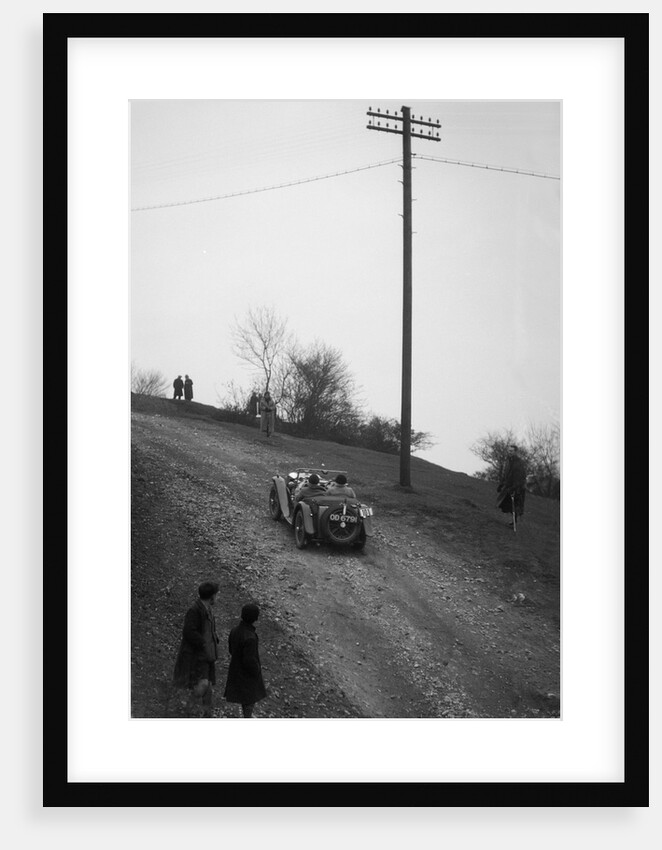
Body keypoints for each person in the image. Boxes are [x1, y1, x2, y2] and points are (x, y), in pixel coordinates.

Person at [172, 581, 220, 717]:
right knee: (203, 684)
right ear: (211, 596)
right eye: (216, 595)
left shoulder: (207, 609)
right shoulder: (195, 610)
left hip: (206, 655)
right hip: (196, 655)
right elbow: (188, 631)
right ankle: (187, 710)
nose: (217, 598)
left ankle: (206, 714)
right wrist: (203, 643)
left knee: (208, 685)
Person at [223, 603, 267, 718]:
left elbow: (231, 649)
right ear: (256, 618)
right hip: (247, 675)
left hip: (236, 669)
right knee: (249, 699)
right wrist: (257, 670)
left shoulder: (234, 630)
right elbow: (249, 660)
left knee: (244, 698)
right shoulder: (250, 637)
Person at [496, 444, 528, 526]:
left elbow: (520, 478)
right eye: (509, 451)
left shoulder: (519, 463)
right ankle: (513, 520)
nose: (509, 452)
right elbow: (506, 474)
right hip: (509, 485)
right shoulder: (508, 461)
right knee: (507, 503)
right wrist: (501, 484)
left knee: (516, 504)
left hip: (518, 487)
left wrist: (514, 488)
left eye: (511, 451)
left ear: (516, 452)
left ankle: (514, 521)